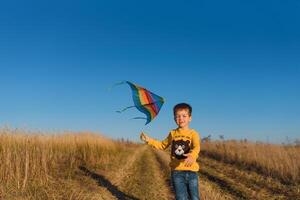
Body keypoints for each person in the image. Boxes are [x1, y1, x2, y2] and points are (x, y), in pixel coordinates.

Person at [140, 103, 201, 200]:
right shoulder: (172, 133)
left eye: (184, 116)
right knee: (181, 197)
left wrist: (193, 156)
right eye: (177, 116)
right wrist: (149, 140)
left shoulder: (193, 133)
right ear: (174, 119)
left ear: (190, 118)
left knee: (195, 198)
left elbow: (197, 147)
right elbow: (162, 145)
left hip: (192, 171)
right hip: (177, 173)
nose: (180, 118)